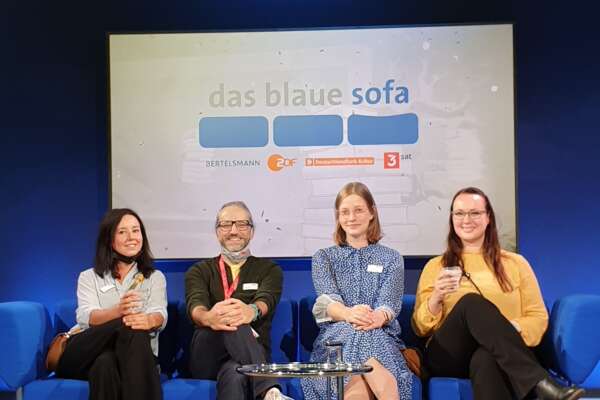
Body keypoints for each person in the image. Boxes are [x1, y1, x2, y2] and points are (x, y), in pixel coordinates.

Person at [412, 187, 585, 400]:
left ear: (488, 218)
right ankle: (541, 383)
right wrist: (437, 297)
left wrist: (507, 328)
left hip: (501, 353)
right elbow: (420, 328)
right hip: (449, 356)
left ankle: (535, 380)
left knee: (486, 358)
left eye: (475, 213)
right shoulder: (436, 266)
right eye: (459, 213)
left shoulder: (516, 263)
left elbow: (538, 318)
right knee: (470, 303)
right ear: (452, 219)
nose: (466, 219)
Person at [302, 182, 413, 400]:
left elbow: (389, 303)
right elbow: (328, 300)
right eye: (345, 212)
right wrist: (350, 315)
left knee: (365, 341)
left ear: (372, 213)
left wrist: (375, 318)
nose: (351, 217)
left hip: (381, 335)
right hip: (336, 339)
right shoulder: (324, 257)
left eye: (359, 210)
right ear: (338, 217)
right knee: (356, 335)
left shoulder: (392, 258)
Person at [56, 208, 167, 400]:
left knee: (105, 364)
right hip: (85, 352)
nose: (131, 237)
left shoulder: (154, 277)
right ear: (109, 239)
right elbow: (85, 317)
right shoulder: (89, 277)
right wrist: (118, 312)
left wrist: (149, 320)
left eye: (136, 230)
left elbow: (159, 313)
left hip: (130, 357)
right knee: (128, 324)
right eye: (122, 232)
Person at [185, 201, 291, 400]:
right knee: (238, 322)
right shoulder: (198, 271)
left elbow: (266, 299)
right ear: (217, 232)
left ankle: (267, 389)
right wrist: (209, 318)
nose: (234, 231)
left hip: (250, 355)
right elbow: (195, 305)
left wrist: (251, 311)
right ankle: (269, 390)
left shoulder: (269, 270)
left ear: (251, 231)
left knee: (235, 373)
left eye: (241, 224)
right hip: (207, 354)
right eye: (226, 224)